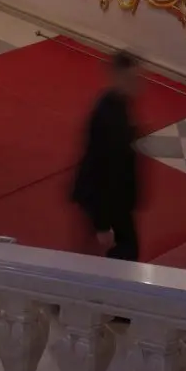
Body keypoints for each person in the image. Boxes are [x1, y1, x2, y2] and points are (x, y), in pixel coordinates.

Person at [71, 50, 142, 262]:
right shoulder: (107, 114)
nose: (137, 84)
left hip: (116, 201)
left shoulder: (118, 103)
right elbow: (100, 168)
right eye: (131, 79)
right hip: (108, 202)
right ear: (118, 77)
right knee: (121, 257)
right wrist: (102, 225)